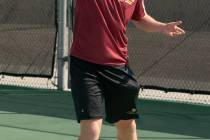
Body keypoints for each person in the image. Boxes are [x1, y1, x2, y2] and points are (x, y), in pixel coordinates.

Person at [69, 0, 185, 140]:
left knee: (127, 124)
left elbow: (141, 17)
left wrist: (163, 27)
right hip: (85, 65)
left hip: (118, 66)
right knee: (92, 129)